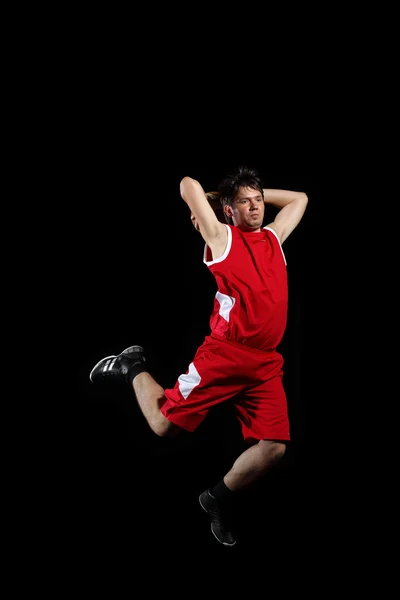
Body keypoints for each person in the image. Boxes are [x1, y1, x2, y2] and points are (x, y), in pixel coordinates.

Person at [89, 165, 308, 547]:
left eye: (258, 201)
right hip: (225, 355)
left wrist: (252, 191)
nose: (255, 208)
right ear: (228, 210)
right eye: (245, 202)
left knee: (273, 448)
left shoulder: (274, 238)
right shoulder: (222, 238)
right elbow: (187, 184)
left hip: (264, 365)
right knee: (162, 426)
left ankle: (214, 500)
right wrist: (216, 199)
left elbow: (299, 199)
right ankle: (132, 366)